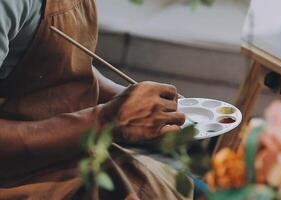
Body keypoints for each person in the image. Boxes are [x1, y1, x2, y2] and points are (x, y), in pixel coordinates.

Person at [0, 0, 192, 199]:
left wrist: (127, 98)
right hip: (19, 179)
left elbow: (62, 59)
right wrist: (104, 120)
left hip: (71, 152)